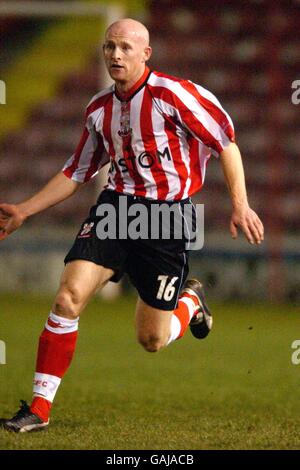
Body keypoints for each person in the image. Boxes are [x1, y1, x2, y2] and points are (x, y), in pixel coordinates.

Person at [0, 18, 264, 433]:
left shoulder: (176, 96)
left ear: (146, 53)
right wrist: (25, 210)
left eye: (125, 47)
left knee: (152, 340)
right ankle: (39, 408)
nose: (115, 55)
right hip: (115, 211)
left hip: (166, 218)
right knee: (68, 298)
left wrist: (240, 204)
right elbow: (77, 170)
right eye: (109, 47)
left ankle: (191, 302)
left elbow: (226, 145)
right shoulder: (98, 109)